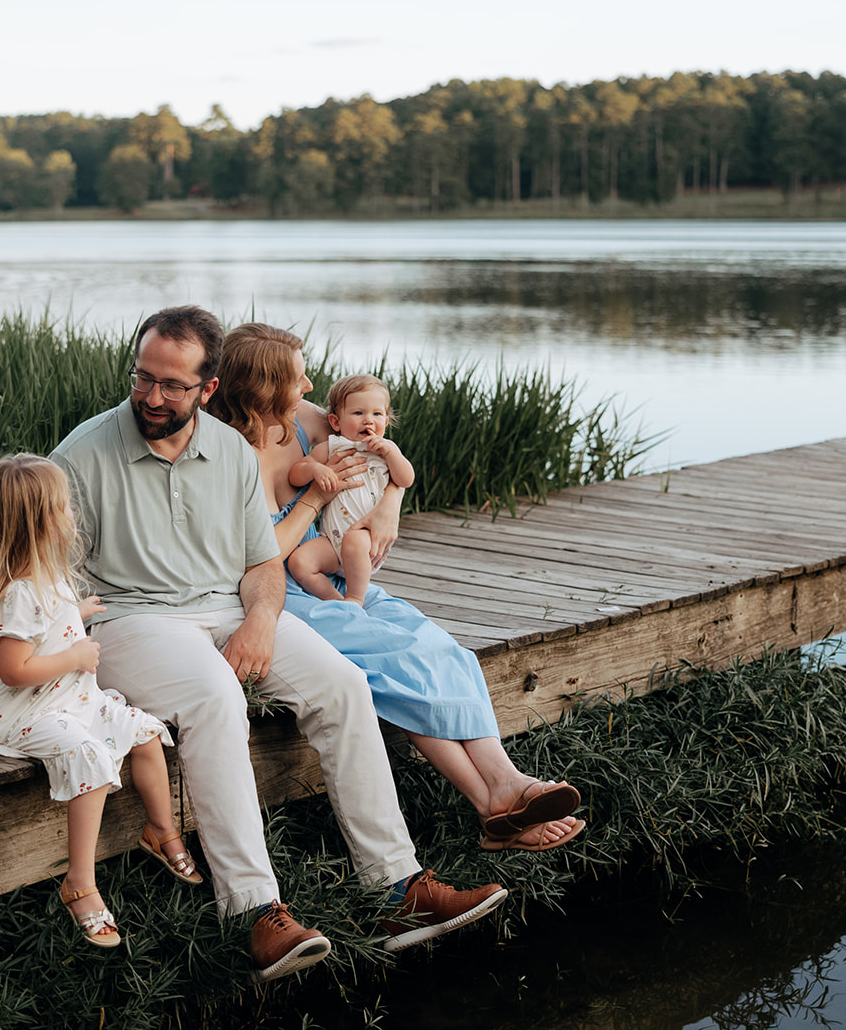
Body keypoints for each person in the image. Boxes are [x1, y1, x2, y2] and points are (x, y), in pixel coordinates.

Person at [51, 305, 510, 981]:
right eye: (142, 378)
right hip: (131, 619)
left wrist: (262, 620)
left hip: (227, 606)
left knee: (345, 684)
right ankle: (255, 909)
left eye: (173, 385)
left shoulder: (230, 451)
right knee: (213, 693)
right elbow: (46, 566)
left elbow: (264, 562)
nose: (151, 396)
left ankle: (396, 886)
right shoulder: (82, 454)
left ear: (209, 388)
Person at [207, 323, 587, 855]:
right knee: (396, 662)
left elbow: (380, 449)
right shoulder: (224, 455)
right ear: (265, 388)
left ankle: (505, 783)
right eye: (298, 377)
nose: (311, 385)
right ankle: (496, 802)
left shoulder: (299, 421)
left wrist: (388, 508)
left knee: (439, 646)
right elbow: (259, 554)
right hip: (280, 593)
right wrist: (315, 502)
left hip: (331, 574)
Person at [0, 454, 204, 951]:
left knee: (143, 730)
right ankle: (79, 882)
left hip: (73, 698)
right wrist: (77, 652)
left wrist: (72, 613)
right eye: (63, 507)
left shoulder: (51, 575)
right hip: (31, 712)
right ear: (39, 521)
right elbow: (14, 670)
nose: (71, 516)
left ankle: (160, 829)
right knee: (92, 754)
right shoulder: (18, 592)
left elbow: (51, 619)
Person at [287, 373, 415, 604]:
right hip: (330, 542)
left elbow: (406, 480)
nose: (368, 420)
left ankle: (355, 598)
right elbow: (297, 474)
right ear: (336, 422)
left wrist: (391, 453)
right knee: (299, 562)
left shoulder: (387, 451)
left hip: (365, 541)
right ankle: (334, 599)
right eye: (358, 413)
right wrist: (316, 469)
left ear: (386, 421)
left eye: (377, 414)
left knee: (354, 540)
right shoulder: (332, 447)